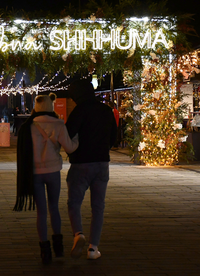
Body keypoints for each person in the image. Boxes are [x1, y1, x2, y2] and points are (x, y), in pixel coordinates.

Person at [14, 93, 79, 265]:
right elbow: (70, 148)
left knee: (41, 212)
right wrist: (77, 138)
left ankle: (45, 250)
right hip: (53, 171)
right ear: (51, 105)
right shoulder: (58, 124)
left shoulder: (29, 125)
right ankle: (58, 247)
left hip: (34, 172)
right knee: (54, 208)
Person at [65, 79, 117, 260]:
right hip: (102, 163)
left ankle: (78, 233)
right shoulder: (106, 110)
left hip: (81, 163)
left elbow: (68, 134)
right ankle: (93, 248)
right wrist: (103, 148)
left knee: (74, 202)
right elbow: (114, 136)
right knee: (98, 206)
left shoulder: (79, 111)